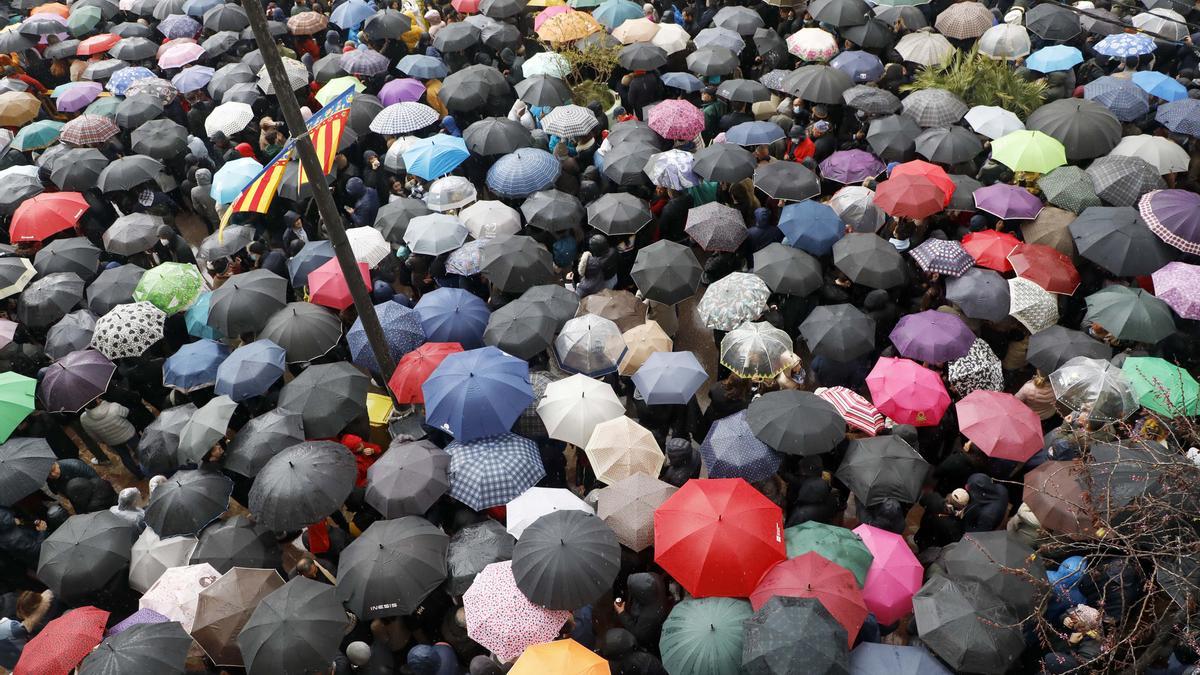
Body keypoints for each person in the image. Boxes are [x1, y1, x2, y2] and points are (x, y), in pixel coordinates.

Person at [79, 398, 145, 479]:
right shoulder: (113, 406)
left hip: (112, 441)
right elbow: (126, 412)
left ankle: (139, 474)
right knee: (140, 450)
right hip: (128, 433)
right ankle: (150, 465)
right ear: (97, 400)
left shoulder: (83, 418)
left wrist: (102, 441)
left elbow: (92, 434)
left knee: (125, 457)